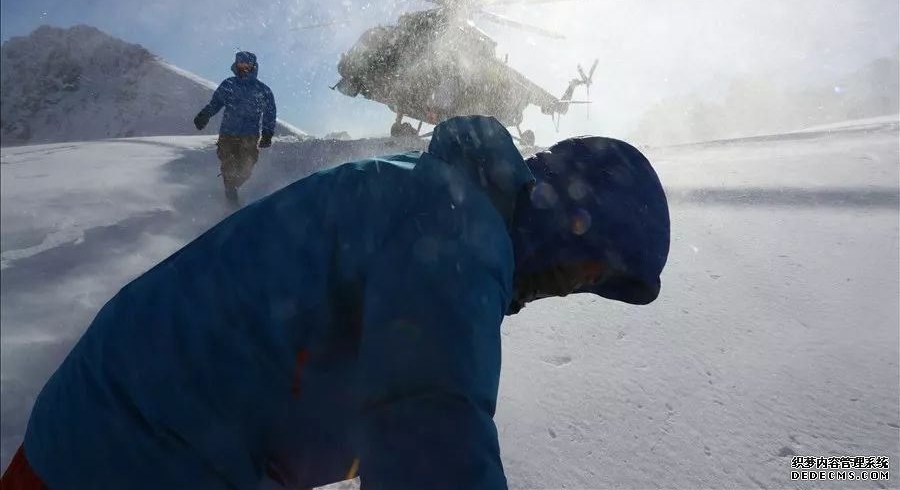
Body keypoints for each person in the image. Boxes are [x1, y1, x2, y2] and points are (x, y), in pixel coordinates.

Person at [1, 115, 670, 490]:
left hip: (98, 433)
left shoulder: (434, 192)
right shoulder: (457, 224)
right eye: (587, 268)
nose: (572, 287)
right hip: (131, 459)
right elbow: (429, 422)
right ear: (568, 219)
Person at [193, 51, 277, 208]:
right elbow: (216, 103)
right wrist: (204, 115)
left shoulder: (262, 89)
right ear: (236, 65)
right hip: (228, 135)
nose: (244, 68)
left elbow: (270, 112)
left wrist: (267, 132)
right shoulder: (229, 84)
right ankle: (230, 196)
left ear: (253, 66)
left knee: (246, 169)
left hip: (249, 136)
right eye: (241, 65)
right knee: (228, 166)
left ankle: (232, 186)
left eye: (248, 65)